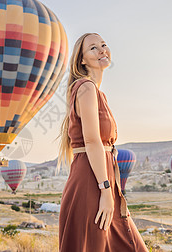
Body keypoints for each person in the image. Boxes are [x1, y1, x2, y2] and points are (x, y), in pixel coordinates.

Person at [58, 33, 148, 251]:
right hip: (93, 183)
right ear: (82, 60)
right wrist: (106, 191)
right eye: (93, 48)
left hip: (103, 181)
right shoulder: (86, 88)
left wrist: (114, 194)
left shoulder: (98, 93)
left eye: (103, 45)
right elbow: (91, 141)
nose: (101, 50)